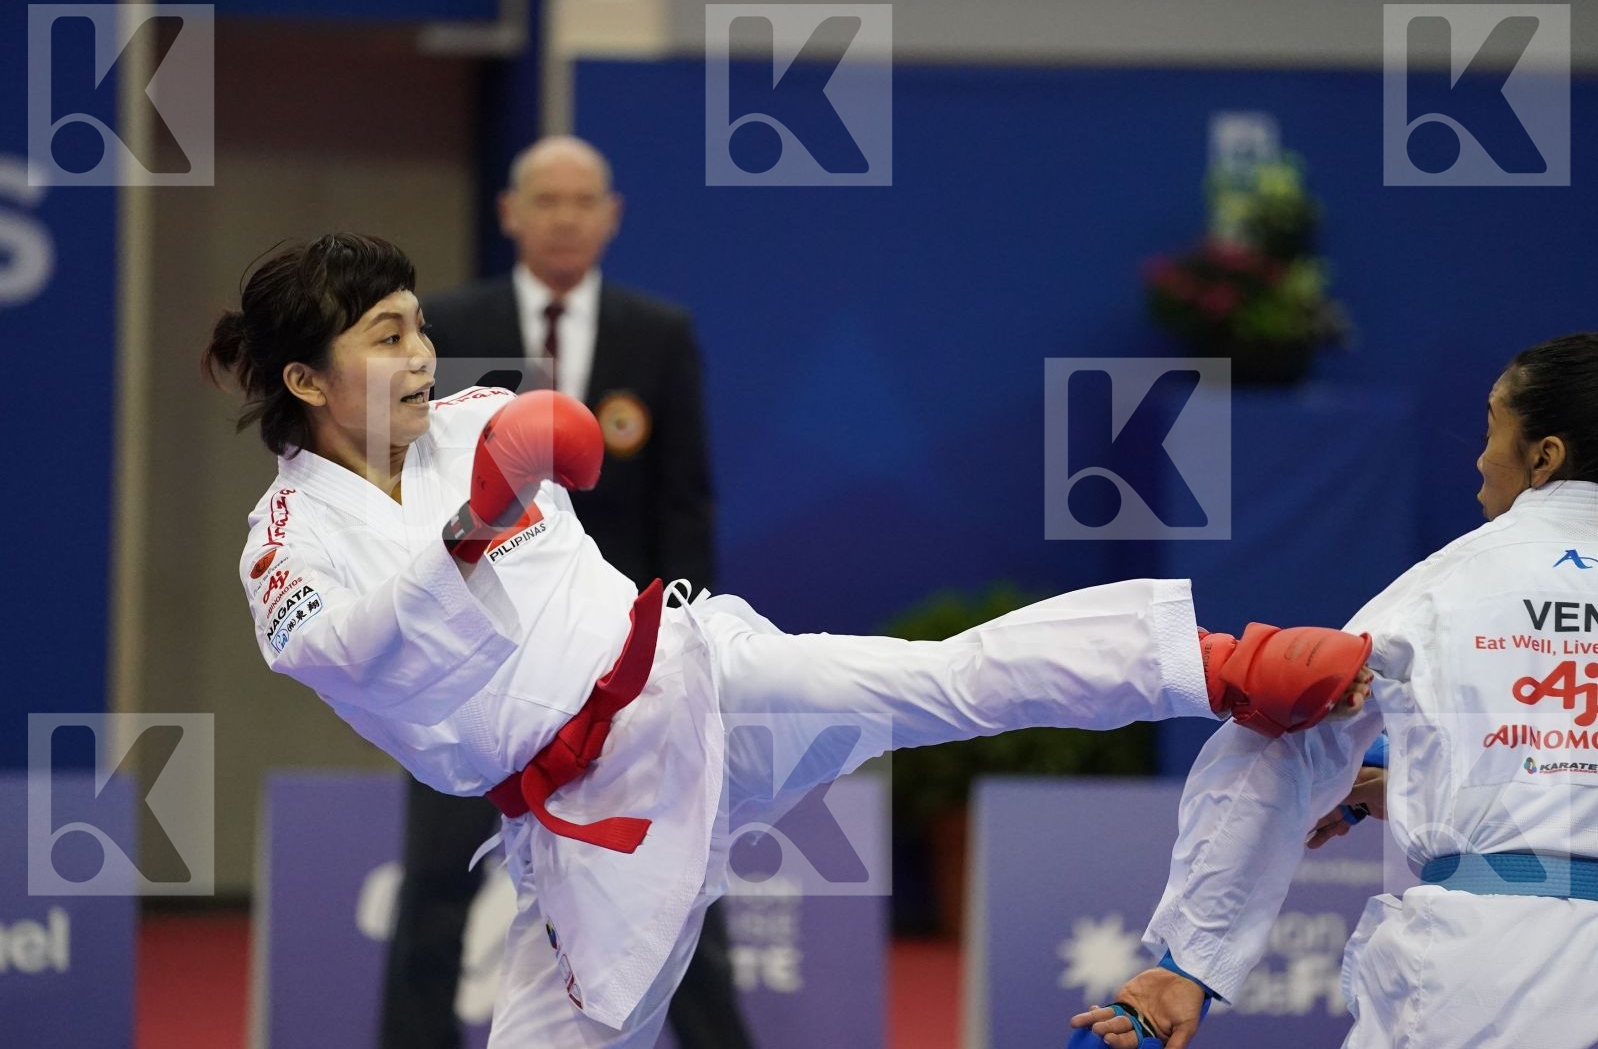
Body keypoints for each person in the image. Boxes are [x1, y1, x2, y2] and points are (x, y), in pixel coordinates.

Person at [207, 233, 1373, 1048]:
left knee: (937, 679)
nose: (419, 358)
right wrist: (469, 531)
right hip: (582, 817)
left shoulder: (474, 421)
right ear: (306, 378)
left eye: (417, 329)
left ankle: (1224, 665)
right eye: (384, 338)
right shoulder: (284, 546)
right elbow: (353, 647)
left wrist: (502, 475)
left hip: (694, 675)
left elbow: (531, 453)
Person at [1071, 332, 1598, 1049]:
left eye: (1491, 429)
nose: (1478, 457)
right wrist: (1390, 780)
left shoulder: (1457, 581)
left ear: (1545, 456)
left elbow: (1287, 748)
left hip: (1493, 982)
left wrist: (1188, 961)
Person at [380, 136, 743, 1049]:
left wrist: (679, 646)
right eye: (548, 200)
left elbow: (684, 505)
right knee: (434, 882)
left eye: (585, 202)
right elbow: (416, 490)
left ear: (612, 217)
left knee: (673, 877)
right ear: (511, 212)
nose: (567, 218)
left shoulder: (657, 335)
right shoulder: (450, 329)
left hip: (625, 674)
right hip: (477, 672)